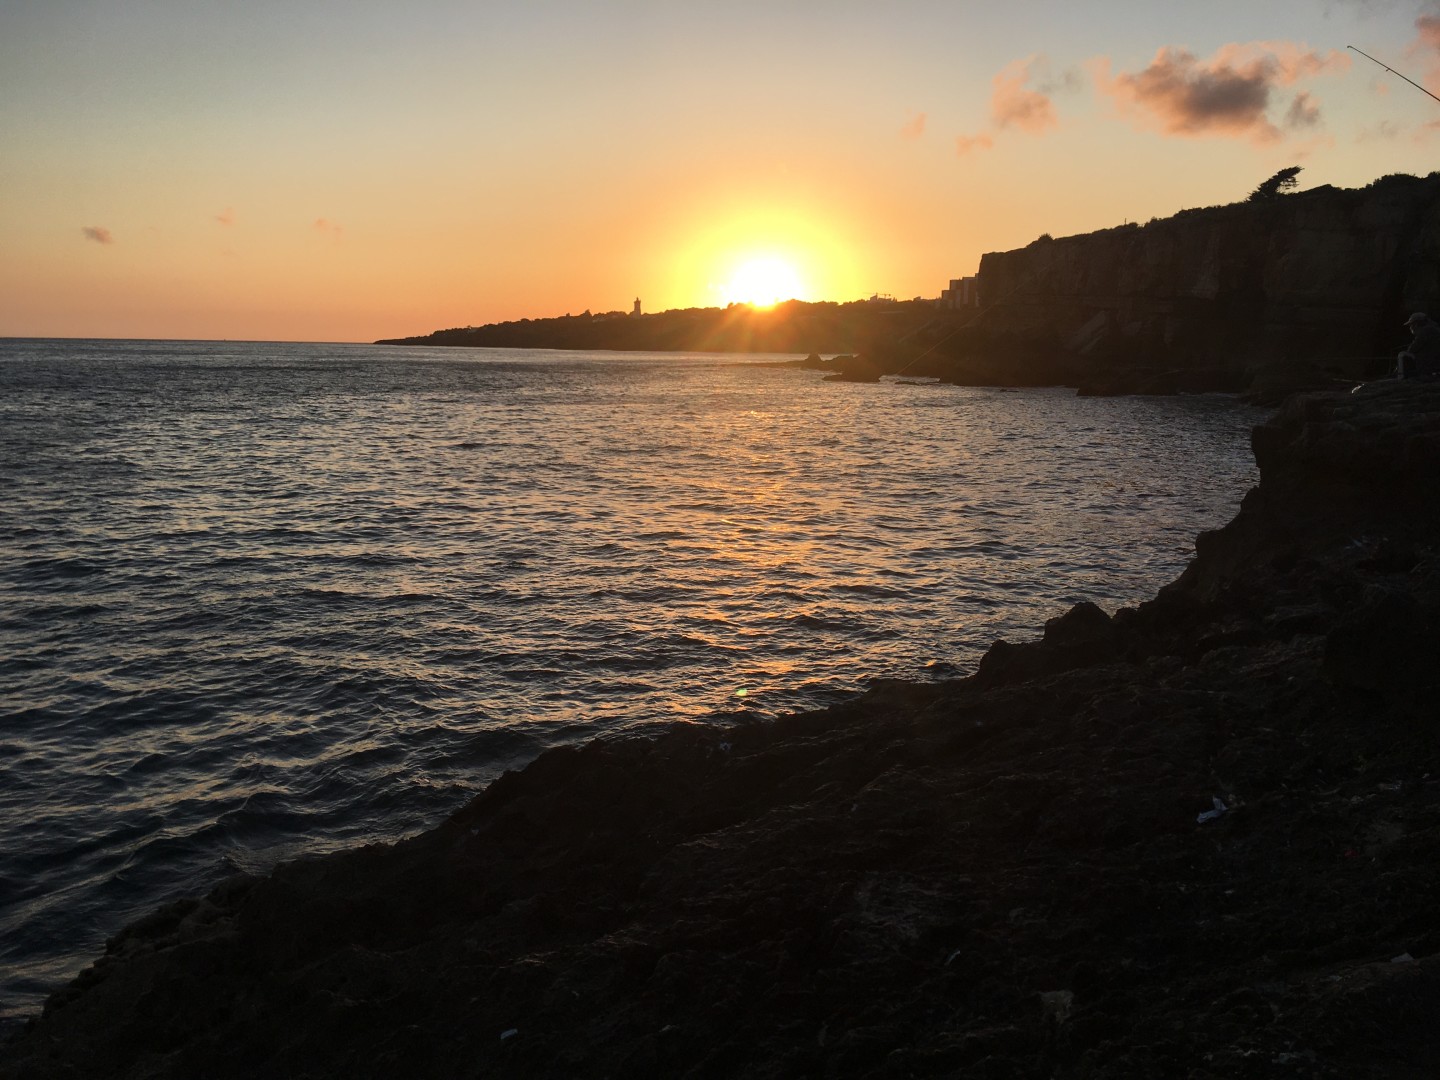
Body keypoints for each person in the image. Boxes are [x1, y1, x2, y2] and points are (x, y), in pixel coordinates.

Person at [1398, 312, 1440, 379]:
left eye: (1410, 325)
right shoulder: (1435, 329)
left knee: (1402, 355)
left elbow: (1412, 349)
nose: (1410, 328)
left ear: (1416, 324)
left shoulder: (1425, 331)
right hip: (1435, 364)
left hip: (1429, 366)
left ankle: (1401, 377)